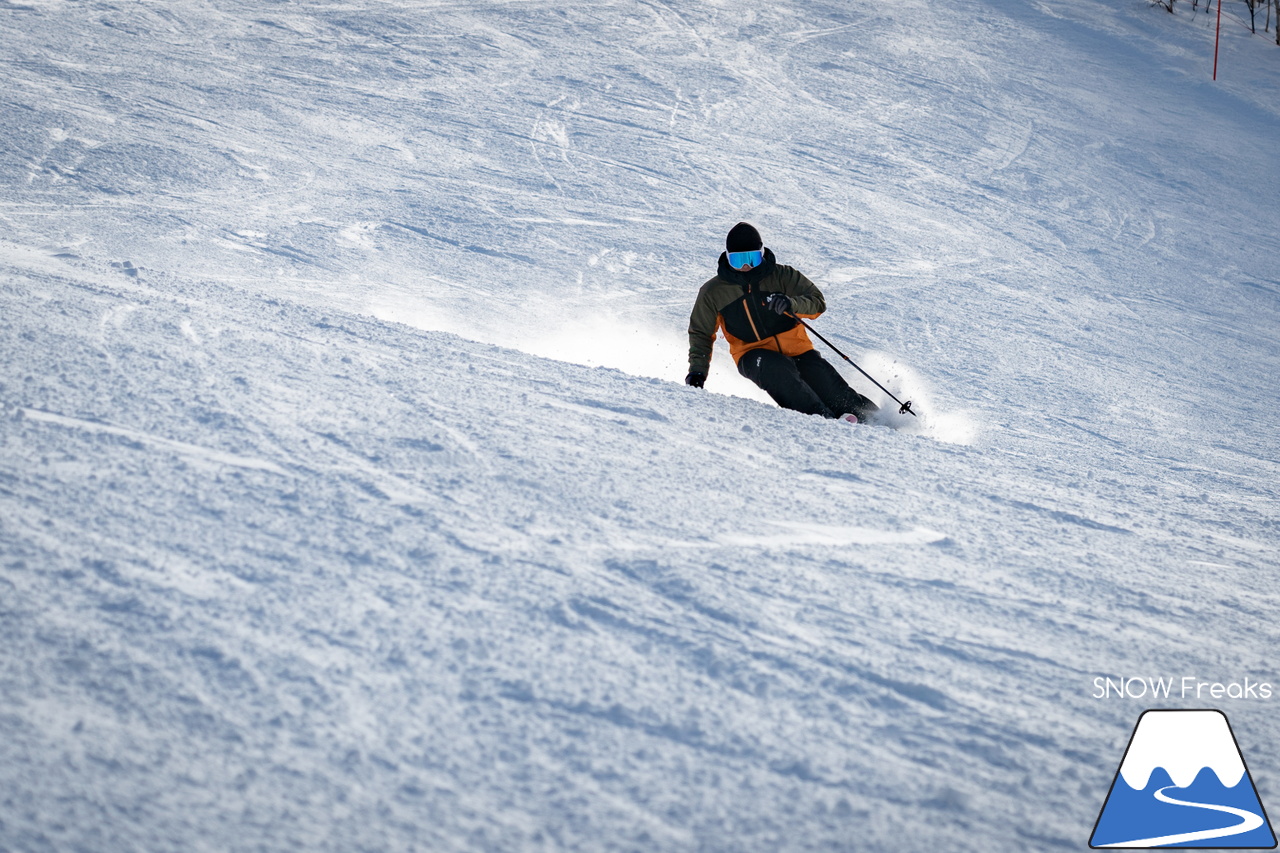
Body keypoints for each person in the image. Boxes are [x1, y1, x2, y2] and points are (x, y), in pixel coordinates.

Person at [685, 222, 878, 423]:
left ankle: (878, 421)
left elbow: (817, 302)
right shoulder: (713, 291)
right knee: (778, 372)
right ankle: (824, 420)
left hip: (798, 350)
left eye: (752, 258)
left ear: (762, 253)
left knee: (833, 389)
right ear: (727, 257)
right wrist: (697, 372)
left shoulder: (783, 276)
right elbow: (701, 333)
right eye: (738, 260)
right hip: (752, 354)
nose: (745, 266)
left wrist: (791, 303)